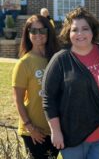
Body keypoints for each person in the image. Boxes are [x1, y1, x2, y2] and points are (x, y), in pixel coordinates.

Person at [42, 7, 99, 158]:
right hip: (71, 134)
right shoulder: (60, 60)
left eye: (85, 28)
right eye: (75, 29)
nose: (80, 34)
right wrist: (56, 132)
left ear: (92, 31)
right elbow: (49, 99)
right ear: (68, 33)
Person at [12, 13, 60, 159]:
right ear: (27, 34)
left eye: (42, 30)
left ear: (48, 32)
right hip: (34, 132)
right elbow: (18, 100)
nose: (38, 34)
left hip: (55, 129)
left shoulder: (56, 59)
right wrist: (30, 127)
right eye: (33, 31)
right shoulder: (24, 63)